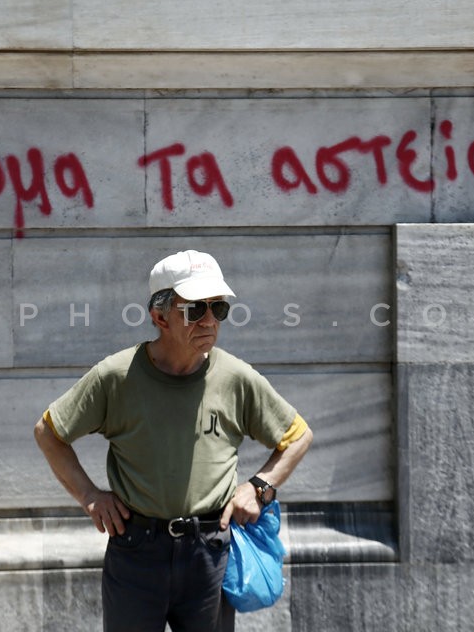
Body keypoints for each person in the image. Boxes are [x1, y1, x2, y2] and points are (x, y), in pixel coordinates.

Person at [34, 249, 313, 632]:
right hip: (135, 551)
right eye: (196, 309)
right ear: (159, 316)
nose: (210, 320)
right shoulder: (115, 377)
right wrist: (89, 496)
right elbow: (49, 432)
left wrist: (260, 487)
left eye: (219, 308)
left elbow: (298, 436)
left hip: (209, 552)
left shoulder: (236, 377)